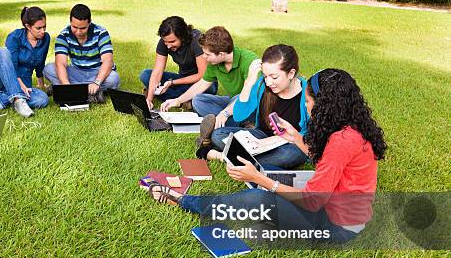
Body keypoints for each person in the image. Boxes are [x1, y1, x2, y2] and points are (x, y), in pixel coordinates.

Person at [148, 69, 387, 243]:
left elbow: (312, 201)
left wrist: (264, 183)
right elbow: (325, 164)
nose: (307, 107)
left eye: (308, 101)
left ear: (325, 105)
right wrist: (294, 137)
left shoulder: (343, 141)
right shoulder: (350, 127)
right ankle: (256, 182)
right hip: (332, 204)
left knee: (256, 196)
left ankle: (185, 201)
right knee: (264, 173)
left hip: (334, 226)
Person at [197, 44, 310, 170]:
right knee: (218, 135)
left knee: (292, 154)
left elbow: (307, 137)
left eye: (274, 77)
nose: (268, 82)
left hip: (288, 143)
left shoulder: (307, 94)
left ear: (291, 73)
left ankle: (224, 155)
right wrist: (250, 81)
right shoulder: (262, 84)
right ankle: (247, 160)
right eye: (265, 76)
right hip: (259, 136)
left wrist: (278, 140)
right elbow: (240, 115)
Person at [160, 26, 258, 127]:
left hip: (250, 104)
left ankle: (227, 121)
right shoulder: (214, 63)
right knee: (198, 100)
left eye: (207, 54)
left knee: (238, 98)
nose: (204, 57)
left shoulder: (249, 61)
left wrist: (225, 113)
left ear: (221, 54)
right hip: (232, 103)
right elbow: (202, 84)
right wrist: (178, 100)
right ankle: (232, 122)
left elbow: (249, 95)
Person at [0, 6, 51, 118]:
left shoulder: (45, 39)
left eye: (44, 27)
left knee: (42, 99)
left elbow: (40, 63)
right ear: (28, 26)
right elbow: (13, 67)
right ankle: (18, 99)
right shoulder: (14, 37)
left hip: (24, 83)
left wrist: (41, 85)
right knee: (2, 52)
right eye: (38, 28)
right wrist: (20, 89)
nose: (43, 31)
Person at [43, 4, 120, 103]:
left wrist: (97, 82)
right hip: (77, 71)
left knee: (114, 78)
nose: (78, 32)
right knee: (48, 69)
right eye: (75, 27)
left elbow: (107, 61)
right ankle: (91, 94)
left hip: (97, 72)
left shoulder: (101, 33)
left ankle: (61, 89)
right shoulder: (63, 36)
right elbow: (60, 63)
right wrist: (66, 85)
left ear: (89, 23)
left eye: (83, 28)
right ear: (70, 22)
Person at [139, 16, 217, 110]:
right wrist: (149, 99)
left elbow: (202, 75)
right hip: (183, 79)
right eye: (165, 42)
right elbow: (157, 72)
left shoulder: (197, 41)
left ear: (182, 36)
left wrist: (172, 83)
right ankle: (185, 100)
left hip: (205, 82)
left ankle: (178, 98)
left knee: (207, 90)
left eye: (172, 41)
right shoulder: (165, 42)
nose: (168, 46)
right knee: (146, 75)